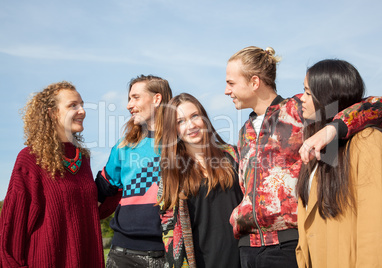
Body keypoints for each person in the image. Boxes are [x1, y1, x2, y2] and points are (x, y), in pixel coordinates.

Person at [224, 46, 382, 268]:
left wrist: (334, 128)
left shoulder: (299, 109)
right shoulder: (244, 131)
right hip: (248, 248)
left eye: (230, 83)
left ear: (255, 82)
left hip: (288, 244)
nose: (226, 91)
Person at [296, 59, 382, 267]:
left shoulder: (368, 141)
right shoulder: (319, 146)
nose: (301, 99)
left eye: (308, 92)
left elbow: (375, 231)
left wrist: (334, 128)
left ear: (328, 96)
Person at [0, 81, 106, 267]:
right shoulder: (30, 159)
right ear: (52, 113)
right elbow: (12, 231)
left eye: (81, 104)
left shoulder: (83, 159)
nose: (82, 111)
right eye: (73, 105)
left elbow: (87, 214)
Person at [157, 93, 243, 268]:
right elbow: (169, 231)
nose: (191, 125)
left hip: (244, 257)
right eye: (180, 121)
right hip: (203, 261)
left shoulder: (234, 155)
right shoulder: (172, 172)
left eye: (194, 116)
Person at [95, 75, 172, 268]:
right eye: (129, 98)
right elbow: (100, 191)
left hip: (170, 253)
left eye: (136, 97)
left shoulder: (183, 144)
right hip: (124, 253)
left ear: (157, 98)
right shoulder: (123, 147)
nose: (129, 105)